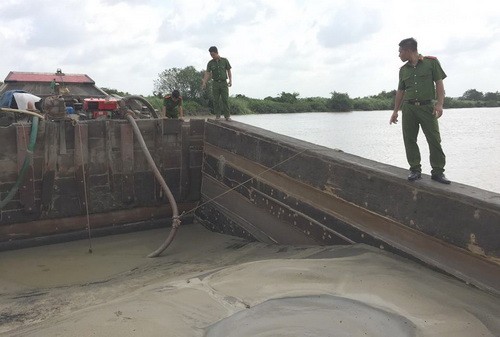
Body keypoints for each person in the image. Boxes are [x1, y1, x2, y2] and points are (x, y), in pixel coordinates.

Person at [390, 38, 450, 184]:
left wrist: (440, 104)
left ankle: (438, 172)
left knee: (434, 139)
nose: (399, 55)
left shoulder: (431, 63)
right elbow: (400, 91)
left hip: (427, 107)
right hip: (409, 108)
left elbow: (439, 84)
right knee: (409, 139)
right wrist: (395, 111)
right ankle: (415, 170)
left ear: (408, 50)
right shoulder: (403, 70)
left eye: (400, 52)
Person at [201, 46, 232, 121]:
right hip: (215, 83)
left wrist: (230, 80)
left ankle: (227, 116)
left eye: (213, 54)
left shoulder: (225, 61)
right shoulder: (210, 63)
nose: (212, 56)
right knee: (216, 100)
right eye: (211, 55)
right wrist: (204, 82)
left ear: (217, 52)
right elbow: (207, 73)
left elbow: (229, 71)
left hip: (224, 83)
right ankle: (217, 116)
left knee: (225, 99)